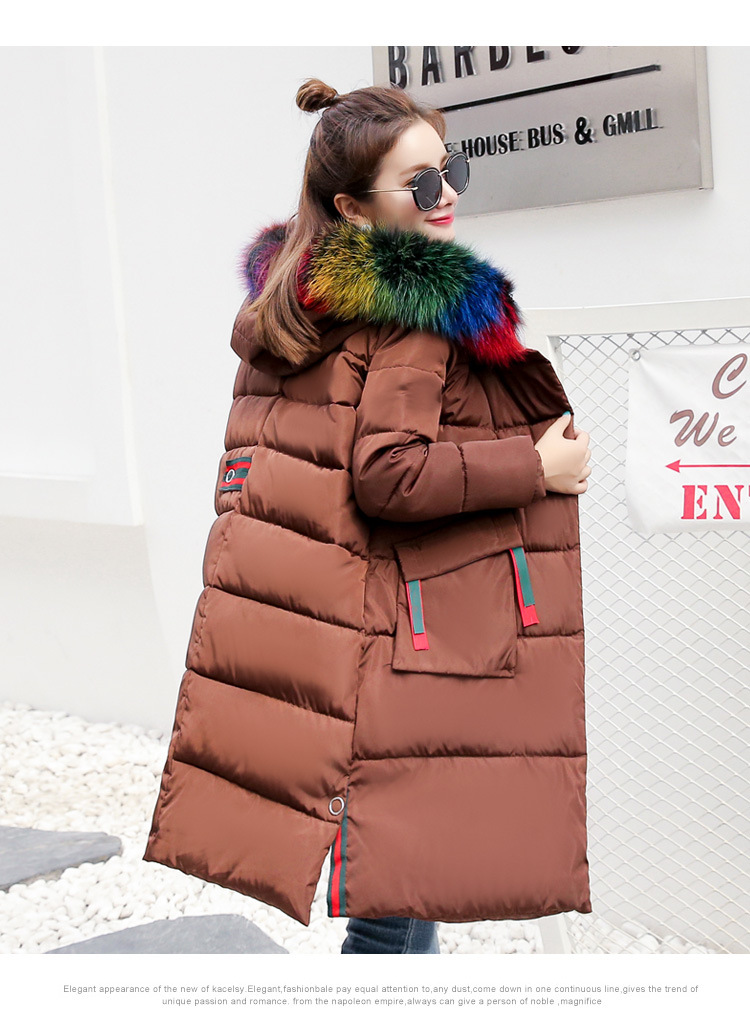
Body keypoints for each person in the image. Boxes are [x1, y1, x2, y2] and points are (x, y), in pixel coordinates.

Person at [143, 78, 593, 956]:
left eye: (450, 169)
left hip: (327, 627)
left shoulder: (294, 307)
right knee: (401, 901)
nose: (446, 194)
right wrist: (536, 466)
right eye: (419, 183)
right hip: (402, 634)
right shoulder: (416, 310)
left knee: (387, 879)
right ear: (352, 208)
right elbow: (390, 475)